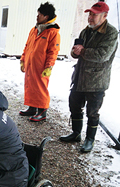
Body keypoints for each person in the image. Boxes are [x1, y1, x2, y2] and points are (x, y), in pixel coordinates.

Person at [60, 1, 118, 153]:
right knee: (74, 106)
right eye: (90, 14)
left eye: (94, 15)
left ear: (104, 16)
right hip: (79, 77)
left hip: (96, 81)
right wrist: (75, 52)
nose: (90, 18)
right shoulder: (86, 31)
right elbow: (75, 52)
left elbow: (102, 55)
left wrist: (83, 51)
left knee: (92, 112)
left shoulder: (111, 33)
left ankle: (89, 140)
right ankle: (76, 133)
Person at [19, 2, 60, 122]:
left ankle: (42, 111)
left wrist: (49, 67)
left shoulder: (53, 32)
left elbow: (53, 51)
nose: (37, 16)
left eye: (40, 14)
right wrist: (22, 60)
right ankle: (32, 108)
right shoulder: (34, 29)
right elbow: (27, 46)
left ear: (46, 16)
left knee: (40, 87)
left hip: (41, 67)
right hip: (30, 64)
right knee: (30, 85)